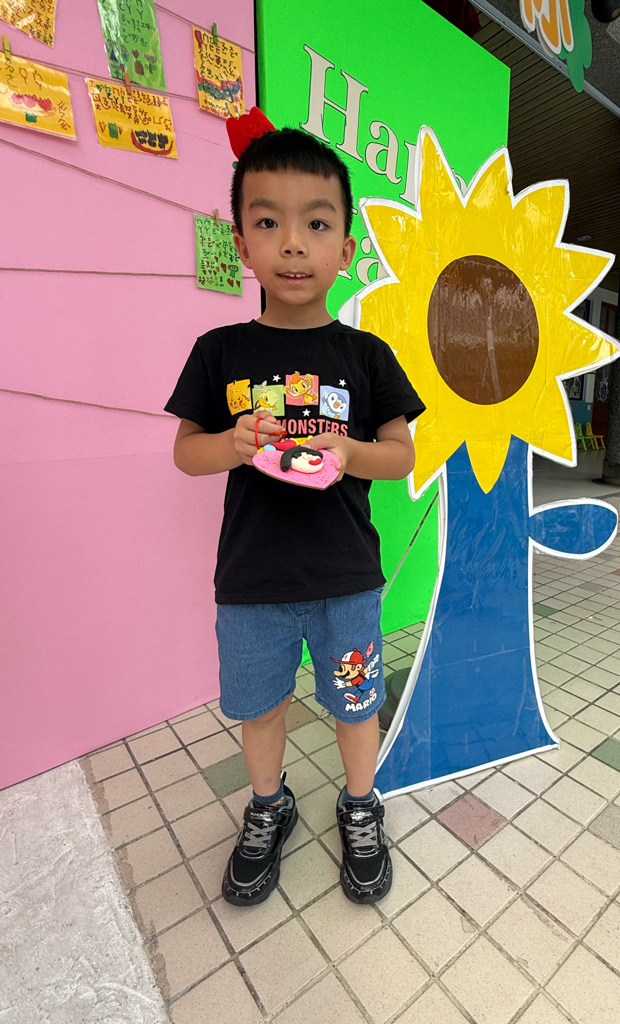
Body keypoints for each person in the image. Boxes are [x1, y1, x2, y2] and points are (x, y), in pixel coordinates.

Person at [164, 108, 425, 907]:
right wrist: (234, 442)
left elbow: (402, 454)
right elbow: (186, 452)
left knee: (356, 706)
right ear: (241, 243)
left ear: (346, 247)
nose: (292, 244)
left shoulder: (366, 355)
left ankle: (360, 805)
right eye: (268, 222)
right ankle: (267, 807)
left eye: (316, 223)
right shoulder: (219, 352)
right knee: (261, 709)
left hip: (347, 581)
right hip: (252, 585)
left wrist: (349, 452)